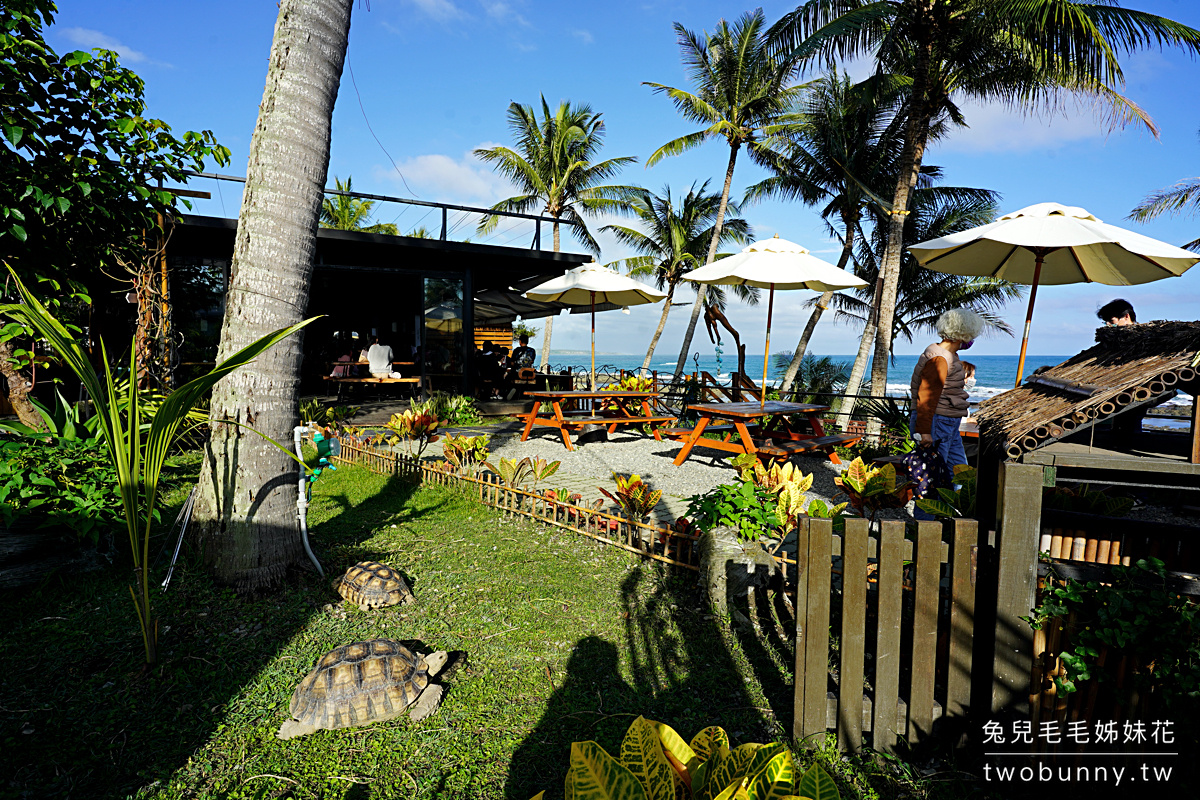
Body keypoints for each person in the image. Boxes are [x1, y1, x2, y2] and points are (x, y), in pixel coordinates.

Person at [909, 308, 985, 474]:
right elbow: (927, 396)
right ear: (964, 333)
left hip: (946, 421)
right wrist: (924, 432)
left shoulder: (947, 355)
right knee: (936, 474)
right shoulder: (940, 358)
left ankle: (954, 500)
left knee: (959, 472)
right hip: (937, 422)